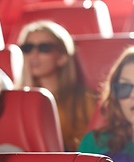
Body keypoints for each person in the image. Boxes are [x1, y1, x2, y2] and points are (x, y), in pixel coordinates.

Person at [17, 20, 96, 151]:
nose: (33, 55)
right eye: (27, 48)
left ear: (62, 57)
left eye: (44, 48)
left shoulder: (85, 99)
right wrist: (27, 90)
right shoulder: (12, 99)